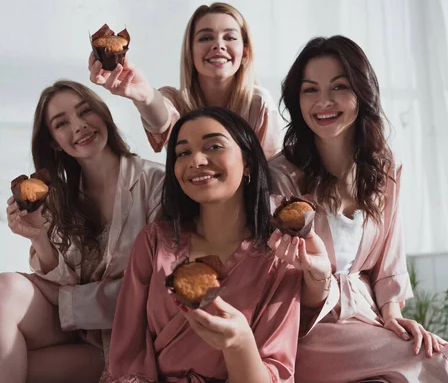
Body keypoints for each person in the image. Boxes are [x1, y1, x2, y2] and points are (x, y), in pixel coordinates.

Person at [268, 36, 448, 383]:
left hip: (368, 318)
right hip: (309, 328)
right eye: (310, 90)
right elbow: (278, 276)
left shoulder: (386, 168)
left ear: (362, 92)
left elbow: (389, 258)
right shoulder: (281, 176)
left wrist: (392, 314)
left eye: (338, 87)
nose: (323, 101)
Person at [0, 80, 165, 383]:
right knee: (2, 287)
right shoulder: (59, 197)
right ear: (55, 142)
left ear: (103, 114)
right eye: (62, 123)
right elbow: (64, 280)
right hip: (76, 333)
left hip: (124, 341)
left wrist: (65, 300)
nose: (79, 126)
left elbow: (151, 291)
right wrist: (39, 238)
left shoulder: (156, 184)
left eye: (85, 112)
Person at [102, 107, 301, 383]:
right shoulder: (154, 242)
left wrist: (240, 343)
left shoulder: (279, 257)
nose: (196, 160)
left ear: (248, 163)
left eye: (214, 146)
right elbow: (127, 353)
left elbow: (276, 373)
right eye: (183, 153)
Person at [88, 2, 282, 159]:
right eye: (205, 38)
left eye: (230, 37)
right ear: (190, 51)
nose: (218, 45)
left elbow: (270, 176)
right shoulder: (175, 101)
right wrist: (145, 96)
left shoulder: (259, 104)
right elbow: (161, 117)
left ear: (245, 51)